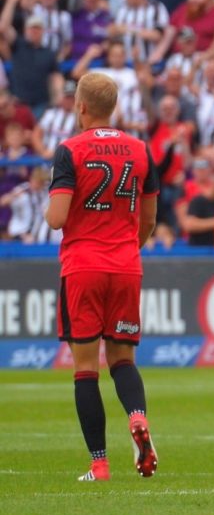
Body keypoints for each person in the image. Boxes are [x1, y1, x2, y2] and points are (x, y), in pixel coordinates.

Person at [44, 72, 159, 482]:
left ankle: (99, 463)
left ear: (81, 107)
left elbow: (57, 218)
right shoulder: (141, 150)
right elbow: (148, 220)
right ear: (115, 107)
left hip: (83, 266)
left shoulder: (69, 150)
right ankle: (138, 418)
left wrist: (47, 203)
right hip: (126, 264)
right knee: (123, 359)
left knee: (85, 368)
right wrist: (128, 248)